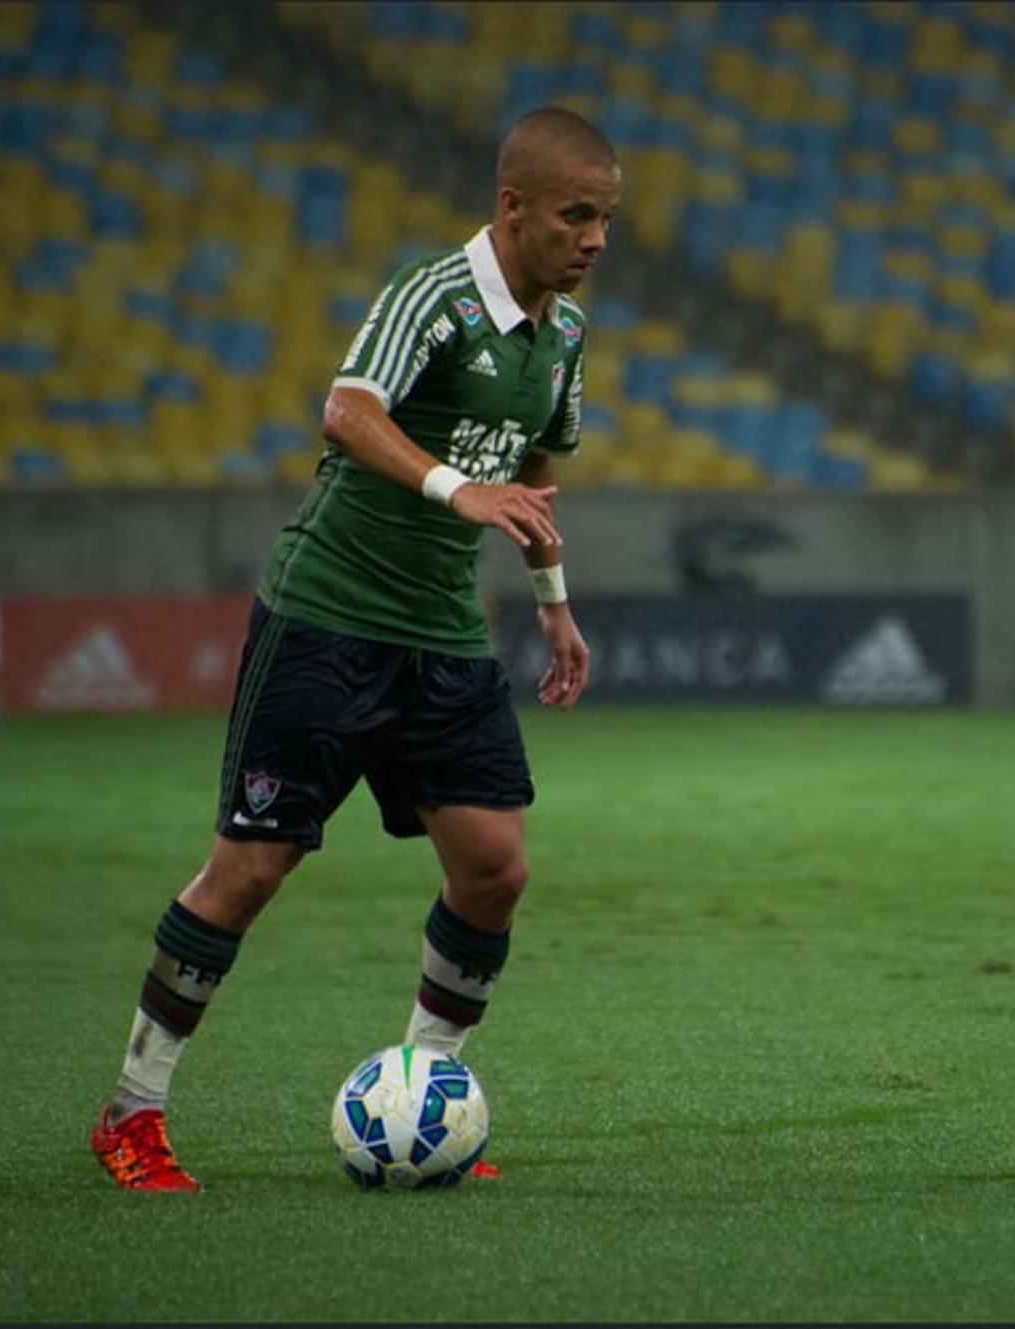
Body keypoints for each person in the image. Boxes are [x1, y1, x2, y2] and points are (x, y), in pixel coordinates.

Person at [90, 107, 619, 1191]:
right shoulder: (433, 295)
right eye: (578, 215)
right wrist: (453, 486)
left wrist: (555, 601)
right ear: (512, 206)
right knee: (250, 869)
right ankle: (132, 1111)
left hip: (442, 632)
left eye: (607, 220)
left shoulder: (563, 335)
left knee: (494, 870)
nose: (596, 239)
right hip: (326, 617)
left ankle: (424, 1100)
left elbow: (534, 473)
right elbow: (345, 409)